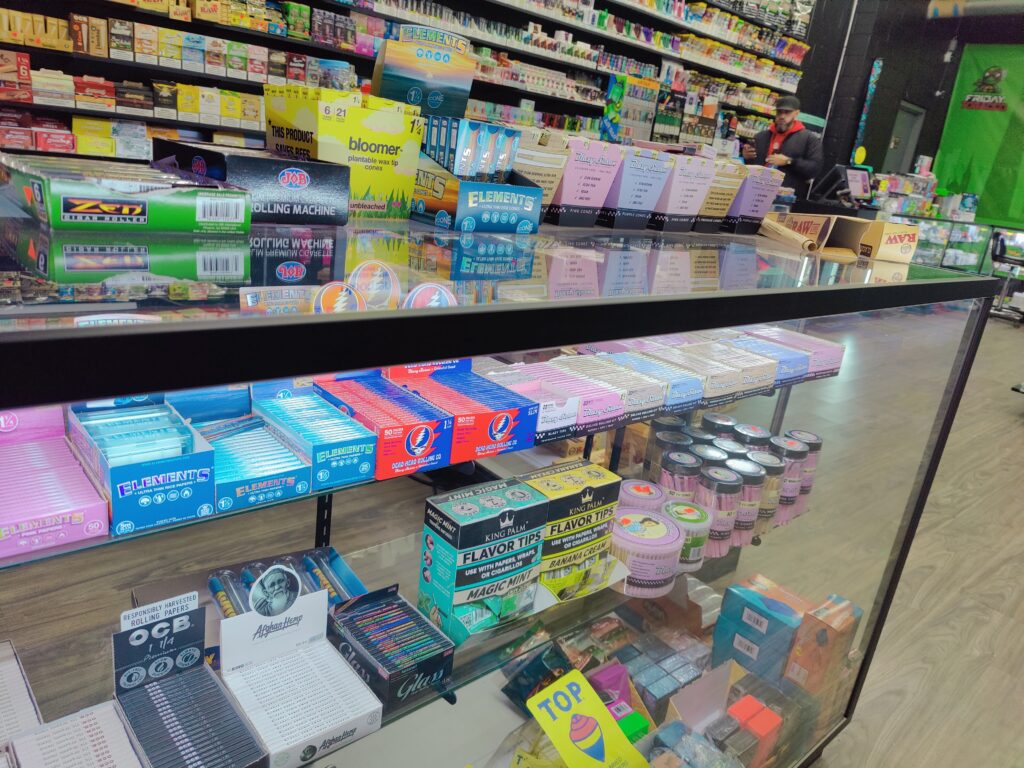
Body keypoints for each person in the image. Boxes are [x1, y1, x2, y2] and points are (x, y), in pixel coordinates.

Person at [742, 95, 823, 199]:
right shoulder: (761, 136)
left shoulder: (809, 139)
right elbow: (752, 166)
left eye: (787, 112)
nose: (782, 116)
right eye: (779, 112)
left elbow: (815, 169)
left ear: (796, 113)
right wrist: (746, 158)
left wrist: (789, 161)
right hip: (755, 193)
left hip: (785, 200)